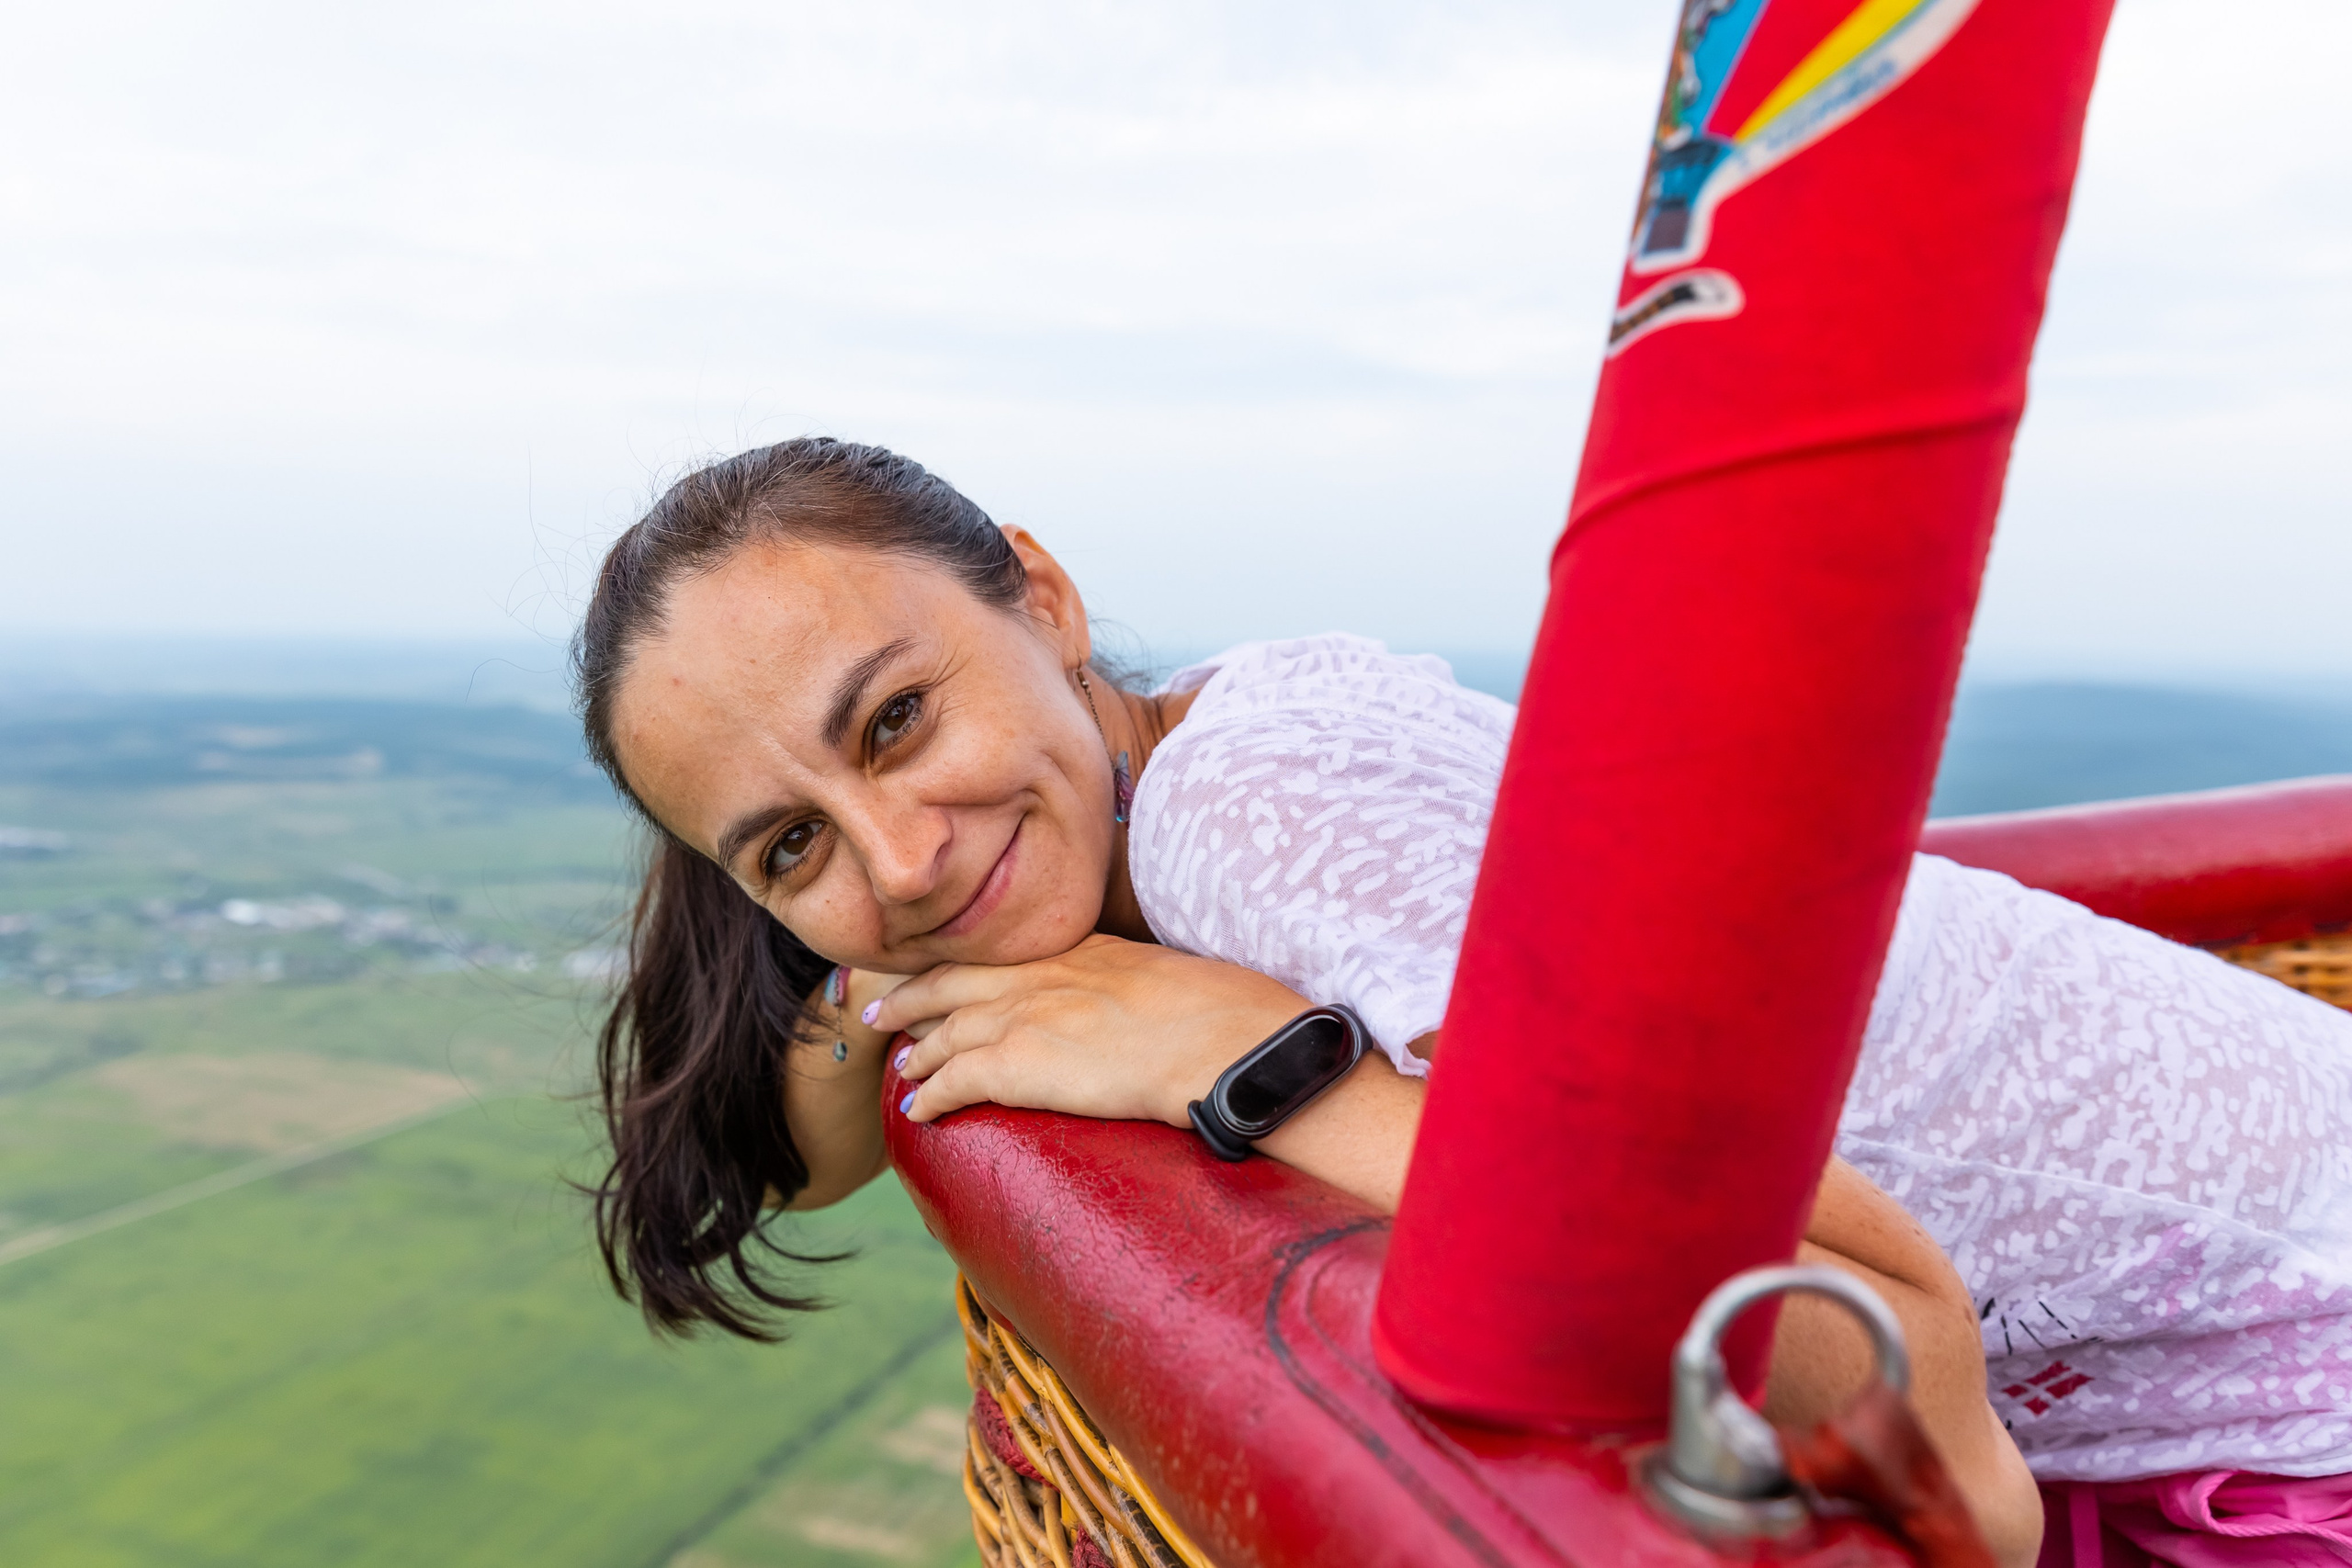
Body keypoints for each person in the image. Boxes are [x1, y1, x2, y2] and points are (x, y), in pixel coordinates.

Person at [577, 437, 2352, 1568]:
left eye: (897, 718)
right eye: (790, 847)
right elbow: (803, 1145)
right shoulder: (1170, 747)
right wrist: (863, 980)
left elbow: (1897, 1391)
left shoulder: (1260, 825)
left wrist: (1256, 1072)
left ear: (1040, 592)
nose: (894, 863)